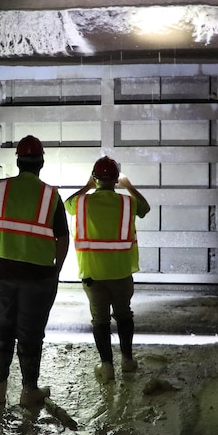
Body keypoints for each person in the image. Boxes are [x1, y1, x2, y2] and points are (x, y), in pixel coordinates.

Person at [0, 135, 69, 406]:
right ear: (41, 163)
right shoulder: (51, 195)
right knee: (30, 332)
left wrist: (3, 235)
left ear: (18, 161)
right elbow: (62, 238)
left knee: (2, 328)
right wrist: (57, 271)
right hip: (36, 275)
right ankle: (29, 391)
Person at [64, 156, 151, 381]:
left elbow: (67, 204)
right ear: (115, 180)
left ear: (95, 178)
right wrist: (129, 186)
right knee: (124, 315)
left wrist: (86, 186)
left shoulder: (82, 202)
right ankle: (128, 361)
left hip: (93, 273)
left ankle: (107, 366)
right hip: (122, 272)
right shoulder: (127, 202)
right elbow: (146, 208)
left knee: (100, 320)